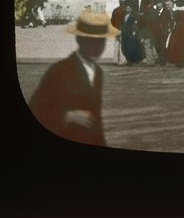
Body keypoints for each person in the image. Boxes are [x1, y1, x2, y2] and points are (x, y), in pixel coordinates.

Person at [29, 9, 118, 145]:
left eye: (101, 42)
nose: (97, 47)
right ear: (79, 40)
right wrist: (66, 116)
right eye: (90, 42)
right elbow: (35, 109)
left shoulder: (98, 72)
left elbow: (96, 120)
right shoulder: (60, 70)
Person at [166, 0, 184, 67]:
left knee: (177, 45)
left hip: (177, 28)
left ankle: (178, 61)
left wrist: (172, 29)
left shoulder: (175, 13)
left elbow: (172, 22)